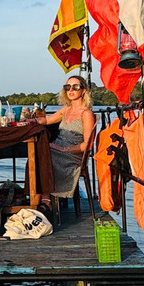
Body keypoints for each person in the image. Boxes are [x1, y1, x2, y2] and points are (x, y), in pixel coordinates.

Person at [39, 75, 95, 220]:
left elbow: (87, 145)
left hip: (72, 155)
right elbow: (46, 120)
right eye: (67, 87)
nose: (71, 90)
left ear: (83, 91)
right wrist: (29, 120)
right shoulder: (66, 110)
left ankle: (45, 201)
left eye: (75, 87)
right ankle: (40, 198)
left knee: (43, 155)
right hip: (57, 149)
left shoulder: (86, 113)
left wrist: (63, 149)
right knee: (38, 153)